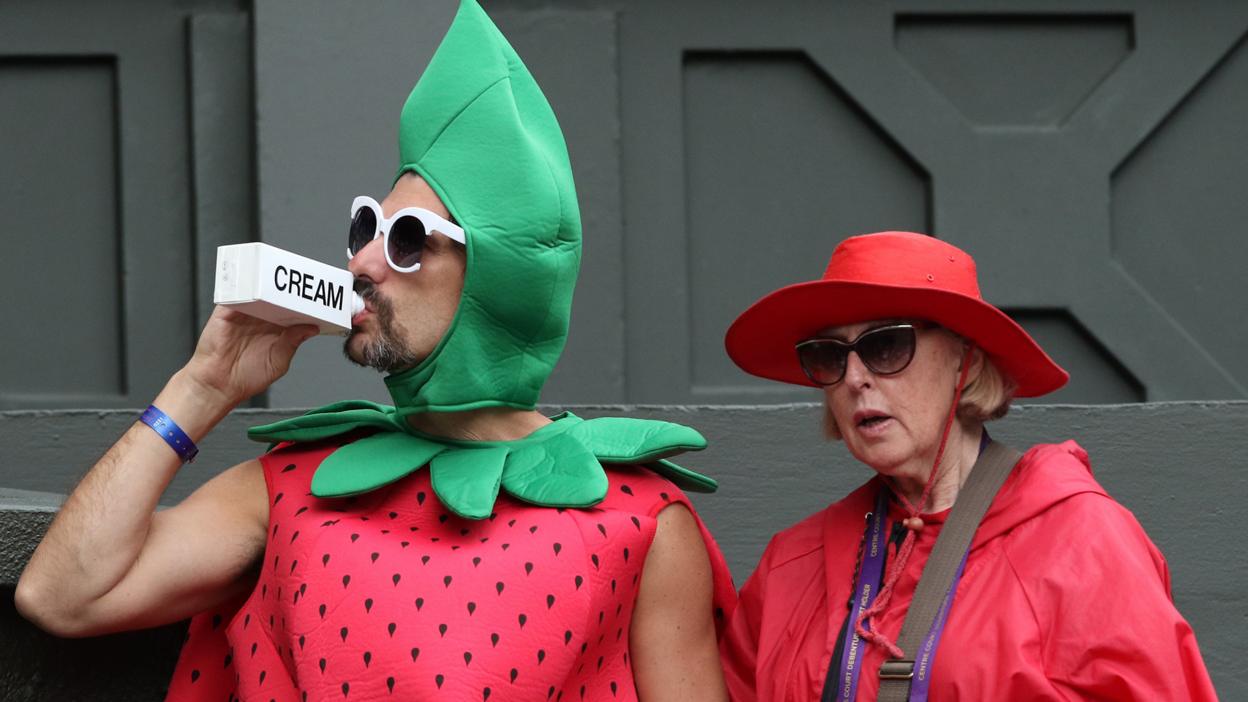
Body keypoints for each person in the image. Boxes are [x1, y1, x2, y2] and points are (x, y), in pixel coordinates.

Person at [15, 2, 734, 700]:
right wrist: (202, 388)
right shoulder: (290, 485)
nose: (362, 261)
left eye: (406, 239)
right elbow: (64, 596)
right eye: (365, 227)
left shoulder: (642, 519)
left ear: (502, 275)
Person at [717, 231, 1217, 701]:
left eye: (886, 345)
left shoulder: (1080, 541)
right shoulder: (790, 566)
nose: (854, 378)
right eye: (829, 355)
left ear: (966, 361)